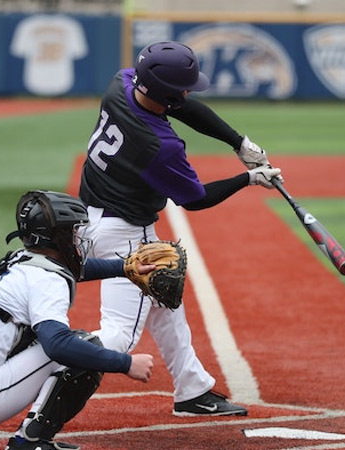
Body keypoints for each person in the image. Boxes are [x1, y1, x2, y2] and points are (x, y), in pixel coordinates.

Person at [78, 40, 282, 416]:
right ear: (167, 94)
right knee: (119, 335)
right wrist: (249, 178)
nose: (189, 92)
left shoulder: (121, 83)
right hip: (126, 234)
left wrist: (237, 142)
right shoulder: (161, 145)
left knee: (165, 302)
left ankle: (192, 389)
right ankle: (42, 364)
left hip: (88, 217)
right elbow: (195, 199)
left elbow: (181, 104)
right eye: (184, 87)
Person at [0, 190, 155, 450]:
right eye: (73, 232)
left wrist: (125, 267)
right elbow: (58, 346)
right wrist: (125, 363)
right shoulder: (47, 280)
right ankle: (30, 442)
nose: (79, 238)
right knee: (81, 345)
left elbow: (75, 269)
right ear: (58, 237)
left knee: (24, 337)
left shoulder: (22, 260)